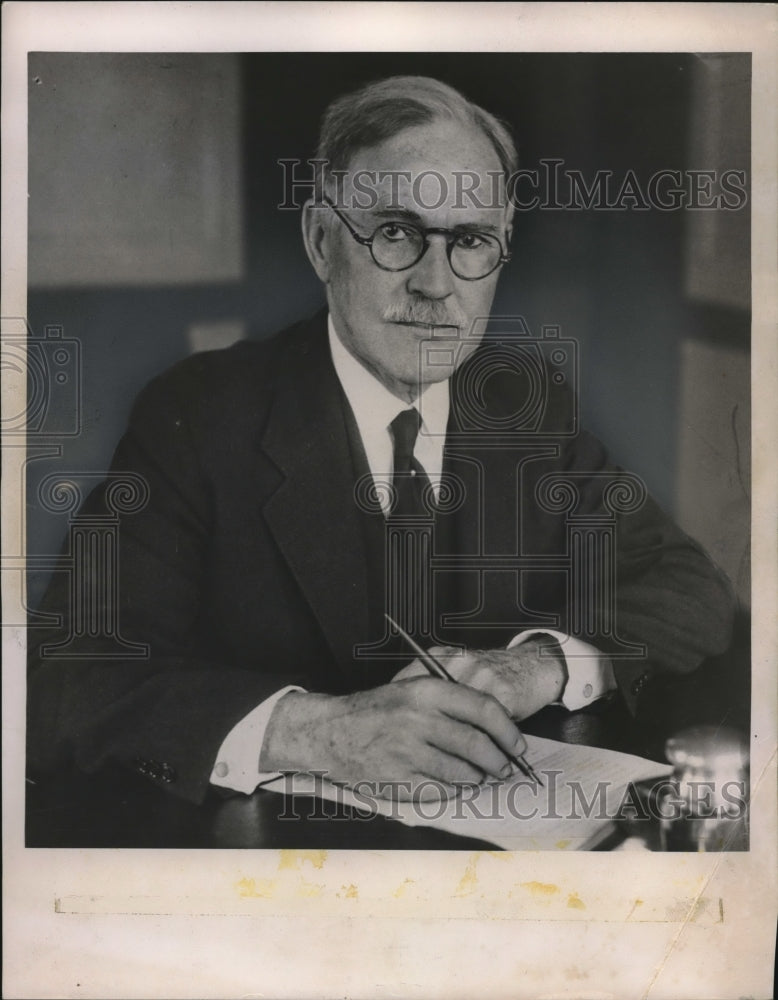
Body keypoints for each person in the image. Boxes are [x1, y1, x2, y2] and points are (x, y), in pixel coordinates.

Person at [27, 76, 734, 806]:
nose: (436, 284)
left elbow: (687, 584)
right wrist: (318, 731)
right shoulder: (201, 417)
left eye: (470, 241)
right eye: (396, 232)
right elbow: (62, 678)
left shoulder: (522, 405)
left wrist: (537, 665)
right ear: (321, 241)